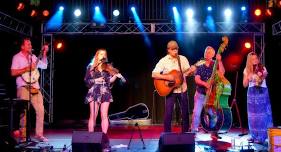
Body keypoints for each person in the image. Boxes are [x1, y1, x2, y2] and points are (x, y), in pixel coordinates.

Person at [152, 40, 195, 132]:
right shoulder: (164, 60)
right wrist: (167, 76)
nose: (175, 51)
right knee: (168, 113)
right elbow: (154, 74)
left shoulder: (183, 59)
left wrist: (191, 71)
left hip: (182, 89)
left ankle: (185, 132)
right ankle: (167, 134)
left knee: (185, 113)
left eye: (176, 49)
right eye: (173, 49)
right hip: (170, 91)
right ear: (168, 50)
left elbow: (188, 73)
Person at [11, 37, 49, 142]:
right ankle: (23, 137)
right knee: (24, 113)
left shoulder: (33, 57)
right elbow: (13, 72)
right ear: (22, 46)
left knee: (41, 111)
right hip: (23, 87)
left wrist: (44, 53)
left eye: (31, 44)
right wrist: (27, 69)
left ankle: (39, 134)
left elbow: (44, 66)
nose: (30, 46)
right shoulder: (16, 57)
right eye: (28, 44)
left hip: (35, 87)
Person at [84, 48, 125, 134]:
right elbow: (86, 80)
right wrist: (96, 80)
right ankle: (90, 137)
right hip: (94, 92)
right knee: (93, 115)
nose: (103, 56)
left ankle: (104, 137)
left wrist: (116, 76)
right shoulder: (91, 67)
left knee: (104, 115)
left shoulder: (108, 67)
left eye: (104, 54)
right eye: (101, 54)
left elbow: (109, 81)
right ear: (97, 56)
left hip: (105, 92)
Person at [190, 46, 225, 139]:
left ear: (213, 55)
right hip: (200, 94)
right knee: (196, 113)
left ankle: (213, 132)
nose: (207, 54)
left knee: (213, 114)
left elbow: (222, 73)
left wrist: (220, 61)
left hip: (211, 96)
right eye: (206, 52)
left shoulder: (215, 64)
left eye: (209, 53)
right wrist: (205, 84)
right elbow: (197, 79)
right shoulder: (200, 64)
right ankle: (193, 131)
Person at [242, 52, 273, 144]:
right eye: (253, 59)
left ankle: (261, 137)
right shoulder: (246, 70)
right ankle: (253, 135)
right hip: (251, 92)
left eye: (256, 58)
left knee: (262, 116)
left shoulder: (262, 68)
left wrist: (261, 76)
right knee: (252, 116)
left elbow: (261, 80)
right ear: (249, 61)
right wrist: (248, 77)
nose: (255, 60)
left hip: (261, 92)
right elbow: (244, 85)